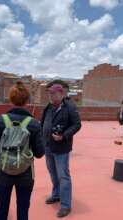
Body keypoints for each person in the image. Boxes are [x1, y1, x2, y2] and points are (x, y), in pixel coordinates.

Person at [0, 81, 44, 220]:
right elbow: (39, 153)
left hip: (4, 173)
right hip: (25, 173)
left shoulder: (1, 120)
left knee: (2, 209)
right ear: (27, 101)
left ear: (10, 100)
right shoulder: (33, 123)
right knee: (23, 209)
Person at [41, 83, 81, 218]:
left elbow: (77, 125)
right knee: (53, 173)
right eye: (50, 93)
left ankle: (65, 205)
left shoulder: (70, 107)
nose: (50, 95)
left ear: (61, 94)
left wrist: (64, 136)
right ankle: (56, 195)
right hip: (48, 146)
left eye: (53, 93)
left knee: (63, 176)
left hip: (61, 147)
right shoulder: (49, 106)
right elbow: (43, 124)